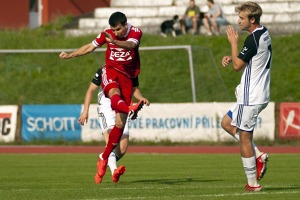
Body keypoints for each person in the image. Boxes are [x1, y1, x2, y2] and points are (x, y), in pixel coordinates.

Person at [59, 11, 145, 184]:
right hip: (111, 72)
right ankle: (129, 108)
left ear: (125, 24)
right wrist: (71, 54)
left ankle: (104, 157)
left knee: (120, 125)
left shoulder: (136, 32)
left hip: (127, 78)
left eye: (119, 29)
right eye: (114, 29)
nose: (116, 32)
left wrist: (115, 41)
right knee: (113, 93)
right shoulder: (107, 34)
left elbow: (130, 45)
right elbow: (91, 46)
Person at [221, 2, 272, 192]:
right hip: (257, 94)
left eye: (242, 18)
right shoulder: (263, 32)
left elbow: (237, 66)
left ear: (252, 20)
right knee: (227, 123)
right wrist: (233, 55)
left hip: (250, 97)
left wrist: (233, 44)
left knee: (244, 137)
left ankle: (253, 184)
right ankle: (258, 154)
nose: (238, 21)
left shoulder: (251, 40)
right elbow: (247, 59)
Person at [78, 67, 150, 183]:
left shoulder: (131, 69)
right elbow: (91, 90)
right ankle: (114, 171)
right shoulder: (103, 70)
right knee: (111, 139)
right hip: (106, 106)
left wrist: (141, 98)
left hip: (123, 105)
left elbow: (134, 88)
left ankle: (103, 158)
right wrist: (85, 111)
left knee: (122, 148)